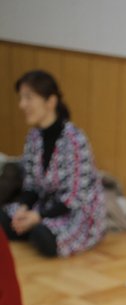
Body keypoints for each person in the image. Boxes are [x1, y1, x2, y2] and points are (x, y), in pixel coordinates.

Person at [0, 70, 105, 257]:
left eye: (28, 98)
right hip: (45, 205)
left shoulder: (74, 140)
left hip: (74, 213)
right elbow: (31, 187)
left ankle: (33, 229)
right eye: (21, 98)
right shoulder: (33, 137)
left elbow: (74, 198)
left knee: (45, 239)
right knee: (6, 218)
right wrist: (23, 209)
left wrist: (37, 217)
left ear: (51, 102)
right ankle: (29, 227)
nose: (22, 105)